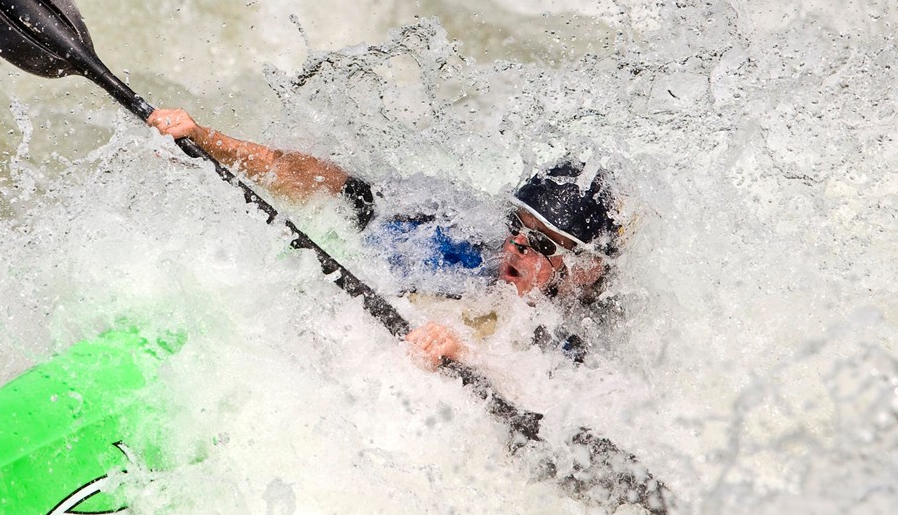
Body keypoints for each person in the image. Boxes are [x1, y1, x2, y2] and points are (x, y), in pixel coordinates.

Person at [147, 108, 622, 369]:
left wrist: (467, 356)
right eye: (516, 226)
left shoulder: (582, 343)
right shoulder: (450, 243)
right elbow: (326, 183)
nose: (517, 246)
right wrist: (208, 141)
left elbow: (551, 398)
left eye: (543, 245)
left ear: (586, 270)